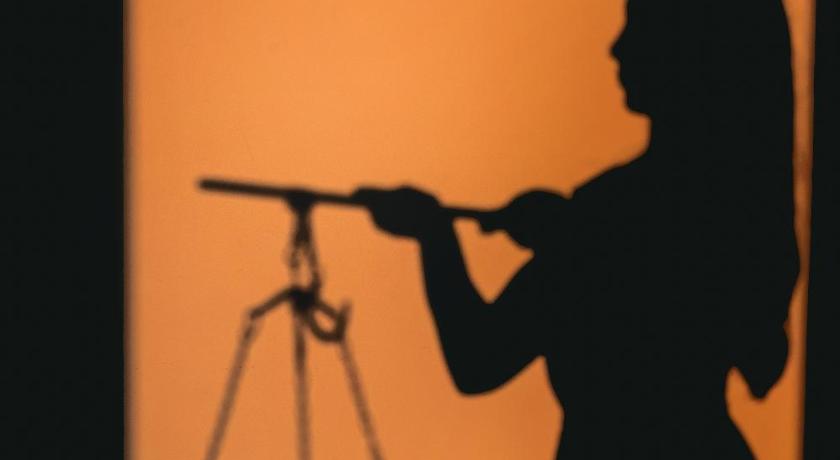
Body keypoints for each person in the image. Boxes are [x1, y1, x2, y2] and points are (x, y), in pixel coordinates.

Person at [353, 0, 799, 457]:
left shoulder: (611, 213)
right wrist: (564, 233)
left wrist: (434, 234)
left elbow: (480, 358)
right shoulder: (724, 212)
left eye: (640, 29)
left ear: (690, 56)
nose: (617, 48)